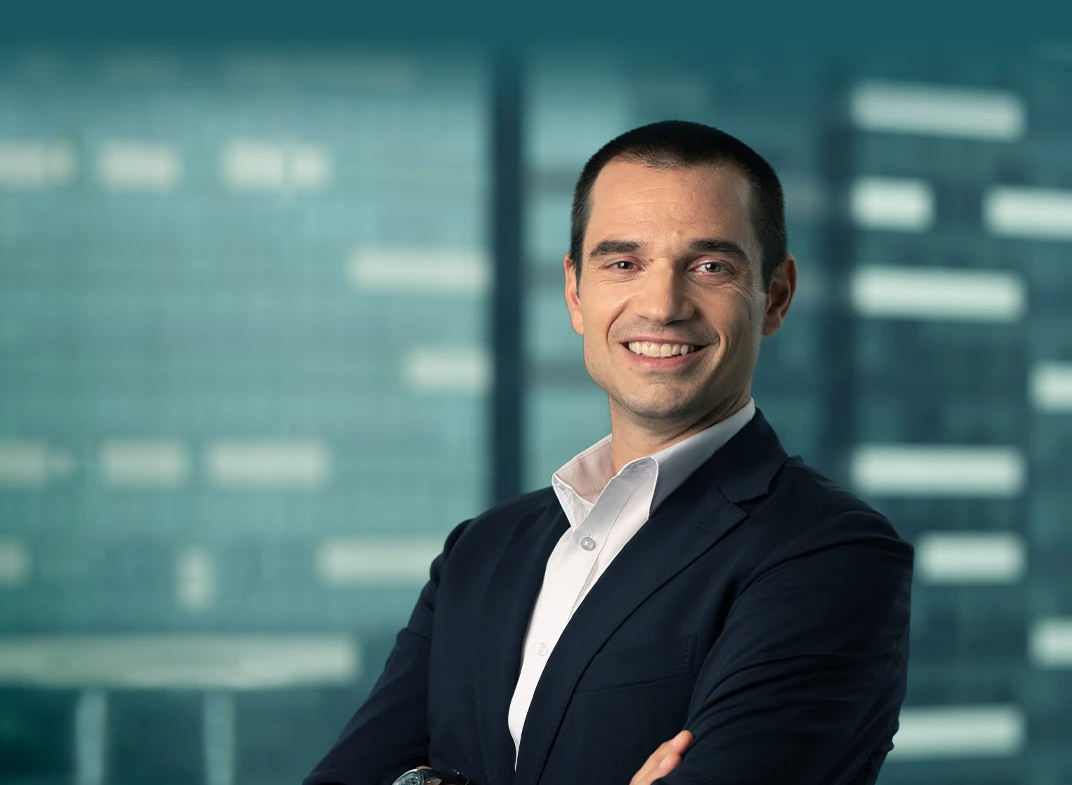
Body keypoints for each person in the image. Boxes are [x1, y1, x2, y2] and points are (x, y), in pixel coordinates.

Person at [304, 120, 913, 785]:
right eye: (623, 262)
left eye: (710, 266)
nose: (662, 304)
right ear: (575, 291)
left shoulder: (830, 555)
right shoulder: (479, 553)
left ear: (777, 294)